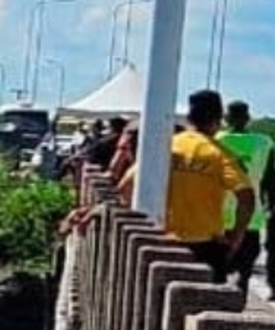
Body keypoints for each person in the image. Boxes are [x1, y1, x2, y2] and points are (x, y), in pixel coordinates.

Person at [116, 91, 253, 283]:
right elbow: (246, 197)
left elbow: (125, 187)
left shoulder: (166, 146)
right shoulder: (220, 154)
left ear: (189, 118)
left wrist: (144, 222)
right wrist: (235, 239)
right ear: (219, 119)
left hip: (160, 241)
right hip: (205, 245)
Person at [217, 101, 273, 295]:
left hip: (221, 212)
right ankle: (243, 283)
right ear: (248, 119)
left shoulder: (218, 140)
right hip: (252, 213)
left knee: (220, 262)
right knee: (247, 261)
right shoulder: (263, 143)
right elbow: (268, 178)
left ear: (226, 118)